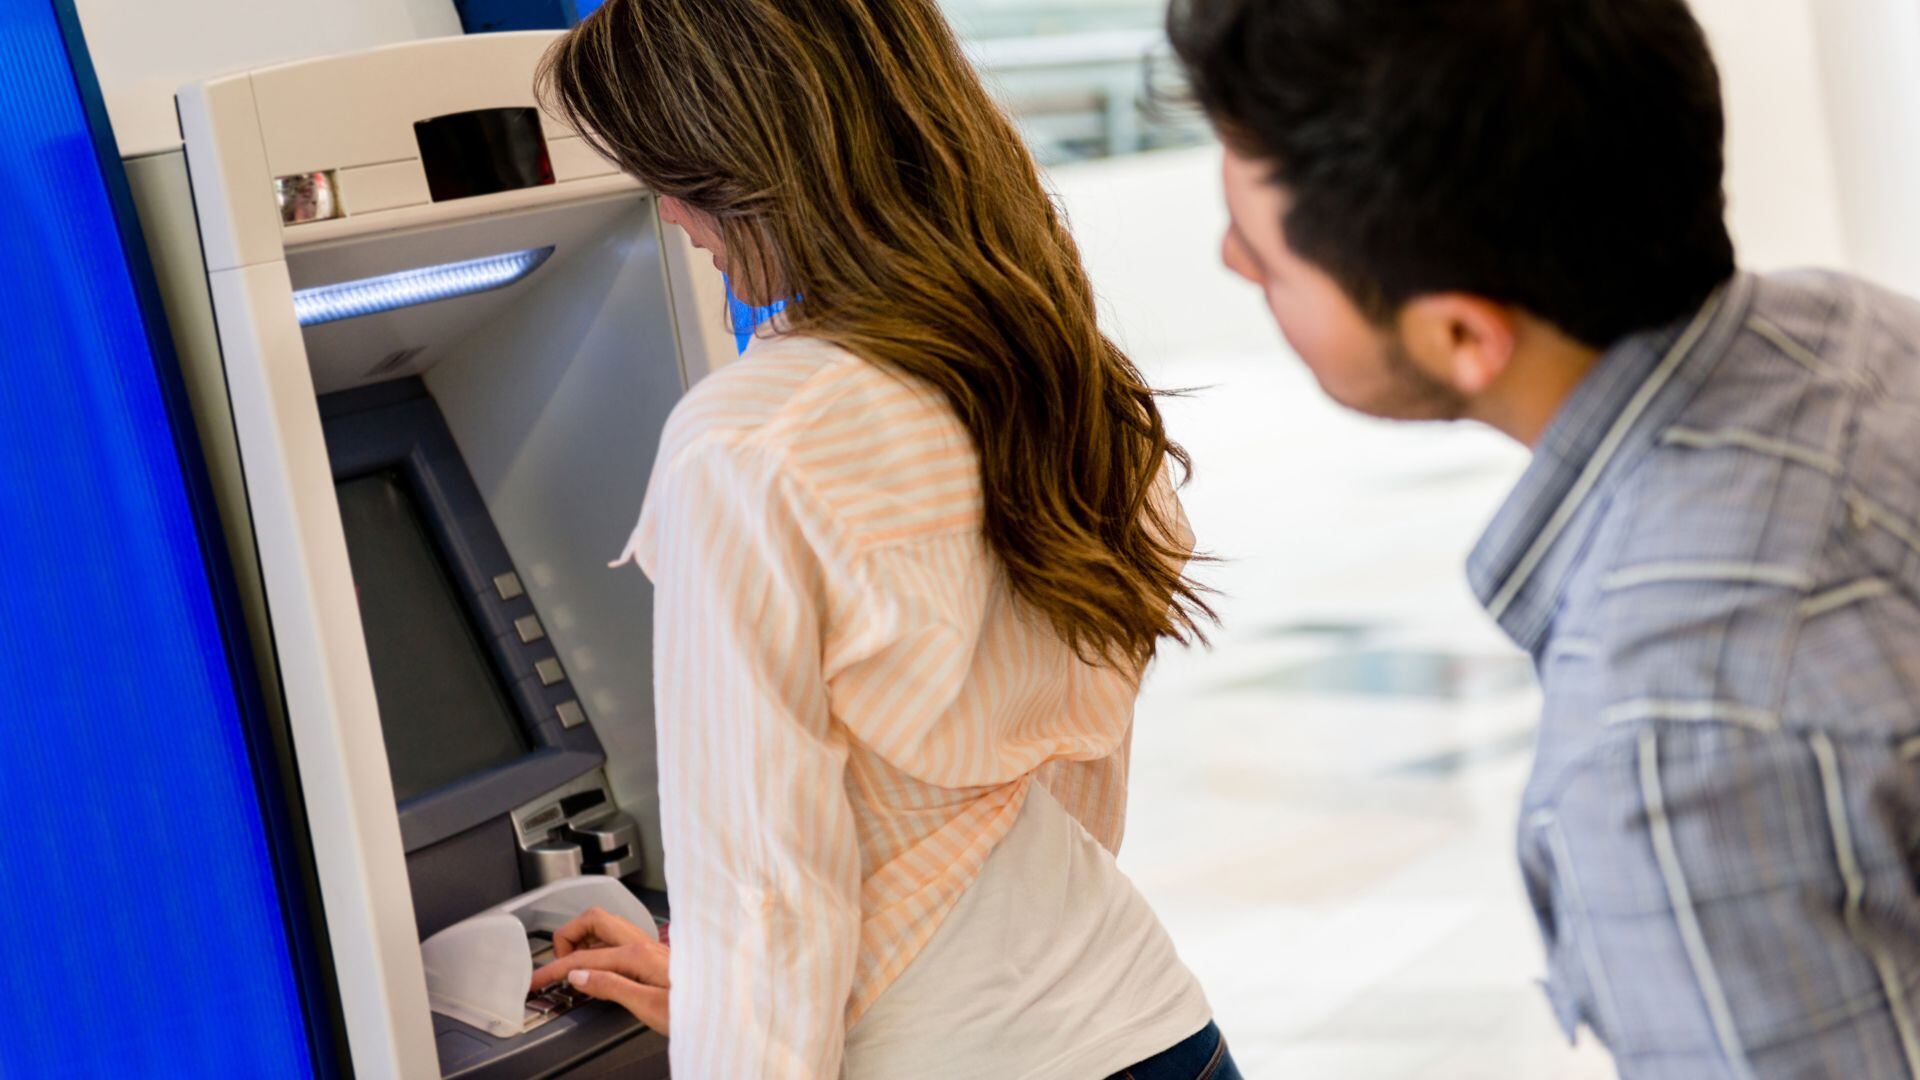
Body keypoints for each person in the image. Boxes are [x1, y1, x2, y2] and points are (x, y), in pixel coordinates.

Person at [1169, 0, 1920, 1076]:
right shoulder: (1855, 332)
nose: (1234, 261)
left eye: (1267, 255)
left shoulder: (1674, 744)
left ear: (1464, 335)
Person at [524, 2, 1243, 1077]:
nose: (671, 214)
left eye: (678, 176)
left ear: (761, 164)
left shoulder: (748, 441)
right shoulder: (1048, 366)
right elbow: (1057, 774)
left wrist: (761, 1017)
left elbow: (764, 880)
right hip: (1146, 1021)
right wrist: (732, 986)